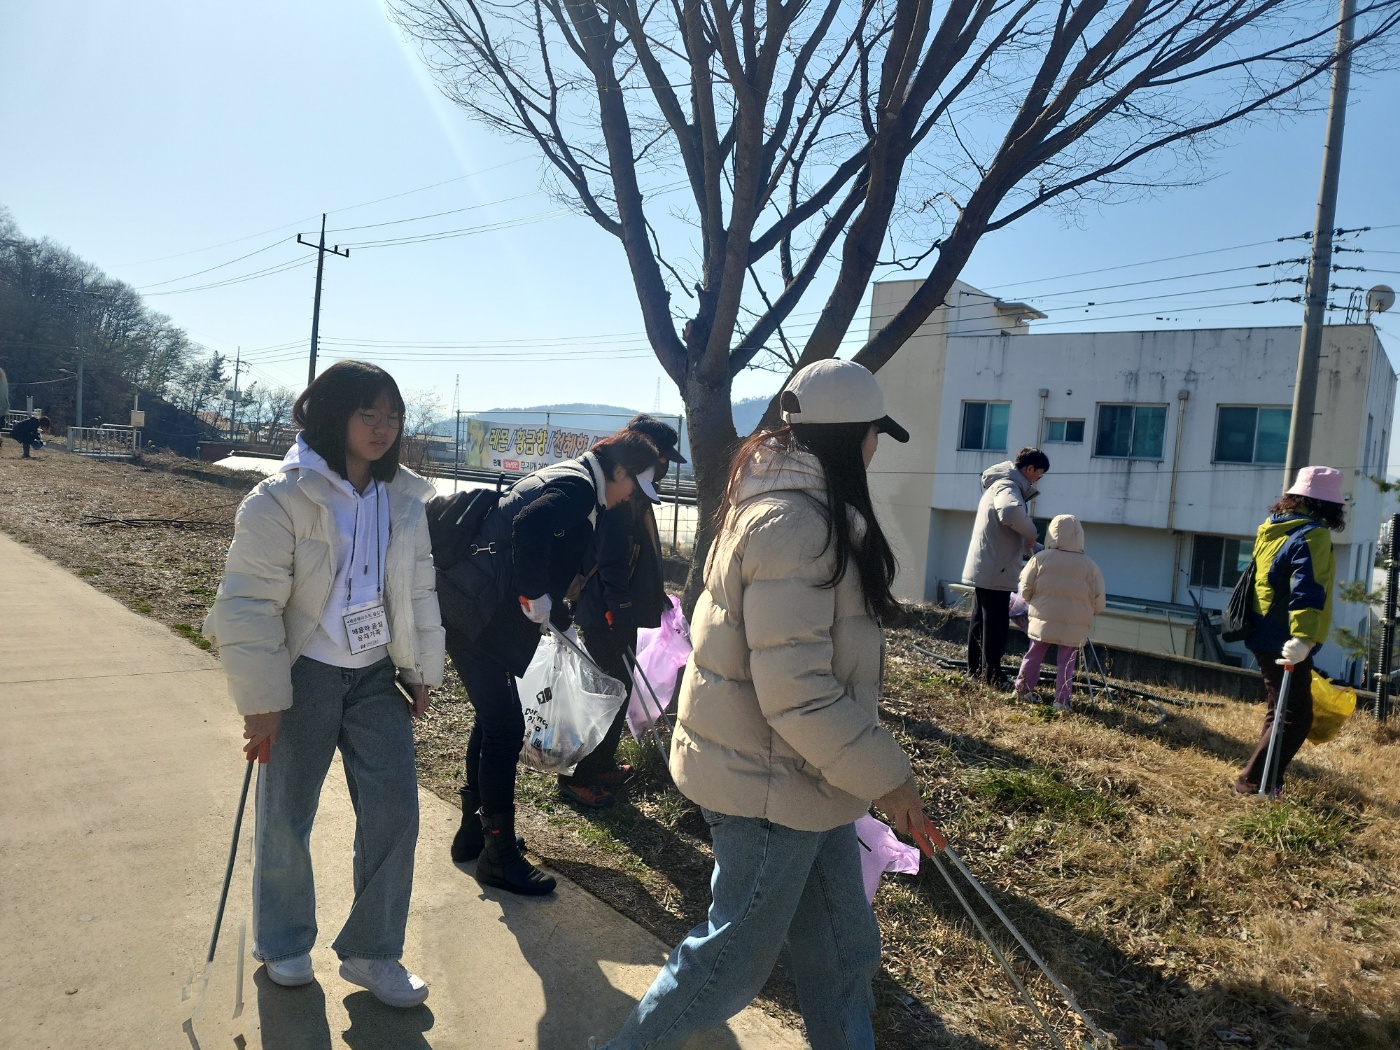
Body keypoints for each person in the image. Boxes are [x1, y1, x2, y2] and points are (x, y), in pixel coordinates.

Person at [592, 359, 946, 1050]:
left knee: (844, 950)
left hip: (806, 780)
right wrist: (891, 780)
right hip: (768, 784)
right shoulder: (799, 526)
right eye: (873, 433)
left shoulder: (778, 502)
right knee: (727, 964)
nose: (877, 447)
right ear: (850, 438)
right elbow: (800, 694)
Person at [202, 361, 445, 1008]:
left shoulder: (402, 503)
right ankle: (284, 941)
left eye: (392, 416)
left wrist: (418, 671)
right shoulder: (280, 498)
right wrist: (260, 704)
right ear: (333, 415)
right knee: (286, 813)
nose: (383, 428)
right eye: (369, 414)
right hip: (302, 672)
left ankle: (373, 952)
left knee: (395, 810)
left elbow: (416, 592)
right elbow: (248, 604)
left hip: (372, 676)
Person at [435, 431, 662, 894]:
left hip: (472, 608)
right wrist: (535, 591)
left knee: (494, 721)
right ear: (619, 471)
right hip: (475, 612)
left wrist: (552, 606)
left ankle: (476, 833)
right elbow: (531, 526)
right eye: (634, 488)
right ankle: (498, 855)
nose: (630, 499)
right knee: (503, 726)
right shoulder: (579, 488)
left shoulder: (575, 480)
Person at [561, 414, 684, 809]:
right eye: (661, 457)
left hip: (617, 610)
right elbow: (611, 558)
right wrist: (622, 609)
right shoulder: (620, 494)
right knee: (608, 694)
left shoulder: (634, 490)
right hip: (605, 612)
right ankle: (580, 777)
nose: (662, 466)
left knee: (619, 688)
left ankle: (600, 766)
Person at [1234, 466, 1343, 797]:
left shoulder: (1272, 527)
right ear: (1326, 504)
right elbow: (1306, 590)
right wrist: (1303, 638)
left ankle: (1268, 782)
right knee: (1296, 717)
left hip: (1262, 628)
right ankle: (1253, 784)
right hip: (1287, 637)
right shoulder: (1312, 534)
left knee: (1280, 711)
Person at [962, 446, 1049, 689]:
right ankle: (992, 676)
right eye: (1039, 474)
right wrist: (1032, 533)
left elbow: (1006, 532)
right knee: (995, 624)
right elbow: (1010, 513)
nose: (1037, 479)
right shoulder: (1008, 486)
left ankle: (977, 672)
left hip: (989, 564)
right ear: (1029, 468)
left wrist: (1035, 546)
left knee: (981, 620)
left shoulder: (1001, 484)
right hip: (997, 567)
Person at [1014, 514, 1105, 713]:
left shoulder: (1040, 559)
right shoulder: (1090, 566)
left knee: (1034, 653)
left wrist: (1035, 604)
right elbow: (1099, 602)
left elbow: (1025, 589)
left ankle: (1022, 690)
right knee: (1067, 662)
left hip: (1043, 617)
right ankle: (1061, 702)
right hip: (1074, 624)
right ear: (1079, 536)